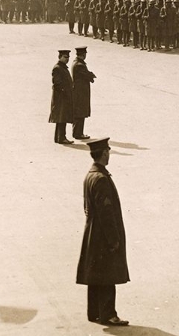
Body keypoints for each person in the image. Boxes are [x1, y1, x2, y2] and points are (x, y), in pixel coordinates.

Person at [76, 137, 130, 326]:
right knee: (107, 273)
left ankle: (94, 312)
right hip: (102, 235)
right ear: (104, 153)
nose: (109, 154)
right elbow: (106, 213)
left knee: (95, 274)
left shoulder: (90, 175)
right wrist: (113, 239)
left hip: (93, 232)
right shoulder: (101, 179)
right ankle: (108, 313)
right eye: (108, 151)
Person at [49, 49, 74, 144]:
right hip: (61, 98)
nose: (67, 59)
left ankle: (59, 138)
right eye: (65, 57)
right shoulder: (57, 68)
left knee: (62, 118)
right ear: (59, 57)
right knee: (62, 118)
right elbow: (57, 83)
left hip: (63, 97)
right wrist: (65, 92)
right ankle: (61, 138)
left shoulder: (62, 67)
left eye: (68, 57)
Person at [72, 46, 97, 140]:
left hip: (79, 91)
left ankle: (77, 132)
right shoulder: (80, 65)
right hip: (80, 92)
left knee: (79, 112)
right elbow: (87, 75)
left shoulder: (76, 62)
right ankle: (78, 133)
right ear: (83, 54)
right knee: (80, 112)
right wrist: (91, 76)